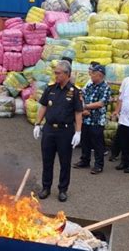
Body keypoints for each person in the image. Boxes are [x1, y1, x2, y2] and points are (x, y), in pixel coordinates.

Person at [33, 60, 83, 202]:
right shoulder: (50, 89)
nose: (55, 75)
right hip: (49, 129)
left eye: (58, 73)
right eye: (55, 72)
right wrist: (37, 124)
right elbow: (43, 107)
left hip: (65, 131)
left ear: (67, 74)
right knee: (47, 160)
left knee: (65, 162)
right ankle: (46, 187)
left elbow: (78, 113)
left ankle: (62, 189)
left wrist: (78, 132)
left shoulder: (74, 91)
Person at [73, 64, 111, 174]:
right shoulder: (90, 86)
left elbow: (101, 103)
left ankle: (98, 165)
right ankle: (84, 160)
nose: (91, 75)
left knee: (97, 144)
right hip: (86, 119)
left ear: (100, 75)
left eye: (93, 74)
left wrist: (85, 106)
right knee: (85, 141)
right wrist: (82, 107)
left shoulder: (105, 88)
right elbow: (81, 95)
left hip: (97, 120)